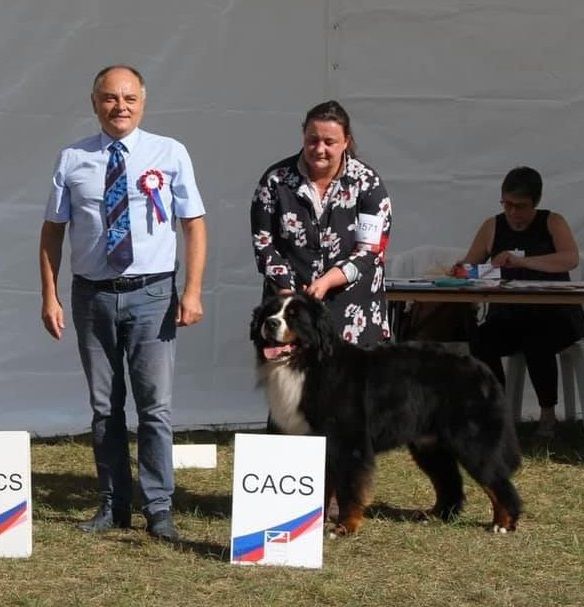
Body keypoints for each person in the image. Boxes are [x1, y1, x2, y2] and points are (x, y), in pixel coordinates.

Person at [39, 65, 207, 540]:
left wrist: (192, 291)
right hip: (91, 296)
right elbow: (53, 232)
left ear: (143, 102)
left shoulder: (169, 154)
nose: (120, 107)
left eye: (129, 98)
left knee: (155, 407)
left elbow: (193, 223)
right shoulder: (72, 158)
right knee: (104, 407)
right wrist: (48, 295)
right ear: (95, 103)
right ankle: (113, 504)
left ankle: (159, 508)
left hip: (153, 294)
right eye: (110, 98)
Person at [250, 100, 392, 349]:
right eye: (312, 140)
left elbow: (370, 250)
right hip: (291, 313)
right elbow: (264, 243)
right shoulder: (275, 181)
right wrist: (286, 289)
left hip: (353, 312)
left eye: (329, 142)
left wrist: (326, 282)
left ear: (346, 141)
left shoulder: (368, 183)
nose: (319, 149)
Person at [456, 166, 584, 438]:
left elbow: (570, 258)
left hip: (555, 314)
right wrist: (467, 269)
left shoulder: (552, 222)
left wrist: (523, 261)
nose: (513, 213)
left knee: (537, 338)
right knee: (481, 340)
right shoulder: (493, 225)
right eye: (508, 204)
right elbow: (469, 267)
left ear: (535, 203)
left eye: (521, 206)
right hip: (507, 315)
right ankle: (499, 410)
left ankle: (547, 415)